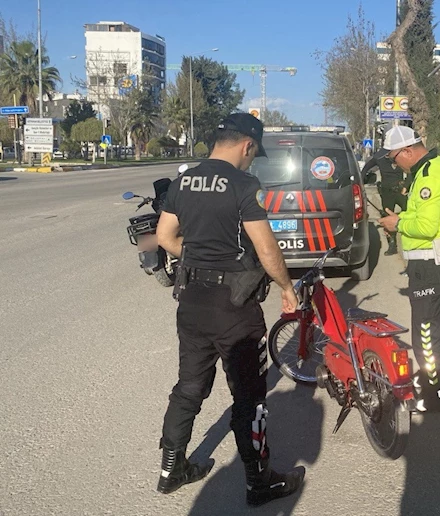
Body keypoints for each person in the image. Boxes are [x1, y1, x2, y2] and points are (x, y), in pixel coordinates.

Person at [155, 112, 305, 505]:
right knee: (249, 396)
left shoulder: (183, 181)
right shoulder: (243, 183)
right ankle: (260, 482)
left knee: (188, 387)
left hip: (191, 303)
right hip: (234, 309)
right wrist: (286, 287)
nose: (253, 160)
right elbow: (266, 247)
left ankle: (171, 469)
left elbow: (164, 236)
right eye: (254, 153)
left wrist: (199, 259)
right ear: (247, 145)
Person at [377, 126, 440, 412]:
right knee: (428, 327)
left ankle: (432, 391)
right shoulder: (437, 165)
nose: (393, 163)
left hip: (429, 263)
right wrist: (402, 215)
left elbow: (427, 227)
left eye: (393, 158)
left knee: (425, 332)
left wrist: (396, 224)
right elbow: (423, 214)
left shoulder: (429, 175)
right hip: (433, 261)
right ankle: (431, 383)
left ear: (408, 151)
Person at [361, 152, 409, 255]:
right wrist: (361, 181)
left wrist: (407, 185)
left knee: (410, 212)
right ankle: (392, 246)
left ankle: (411, 240)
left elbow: (411, 170)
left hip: (400, 191)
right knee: (387, 218)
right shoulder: (379, 158)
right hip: (387, 193)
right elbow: (366, 168)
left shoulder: (400, 156)